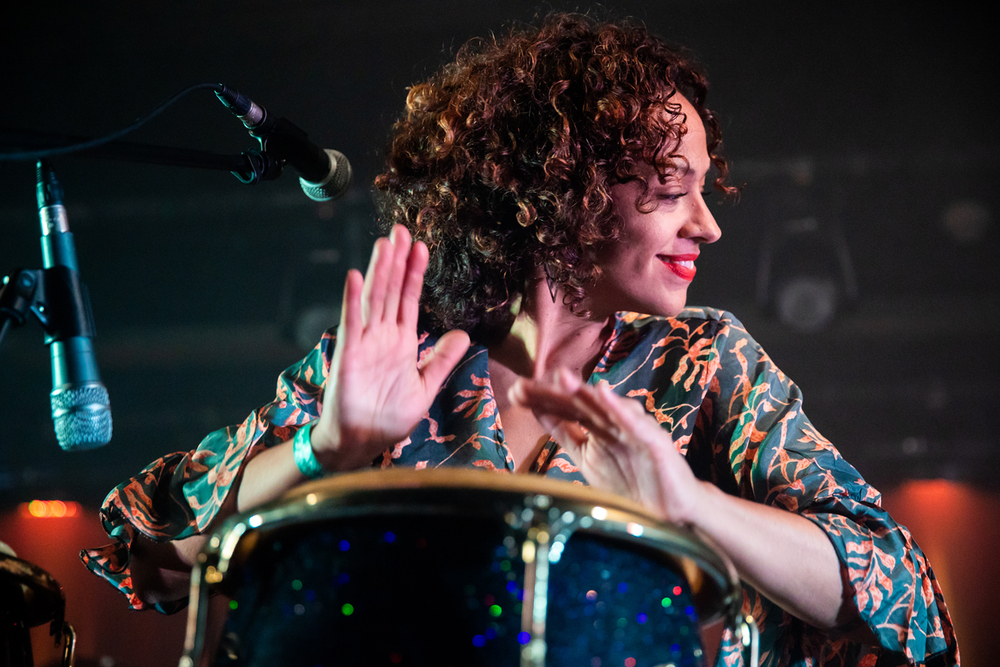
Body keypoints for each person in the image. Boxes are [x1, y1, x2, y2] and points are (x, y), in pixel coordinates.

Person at [82, 13, 958, 667]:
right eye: (670, 188)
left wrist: (693, 505)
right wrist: (326, 449)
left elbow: (902, 591)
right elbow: (154, 563)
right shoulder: (395, 354)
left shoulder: (704, 362)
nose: (707, 225)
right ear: (560, 187)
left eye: (704, 189)